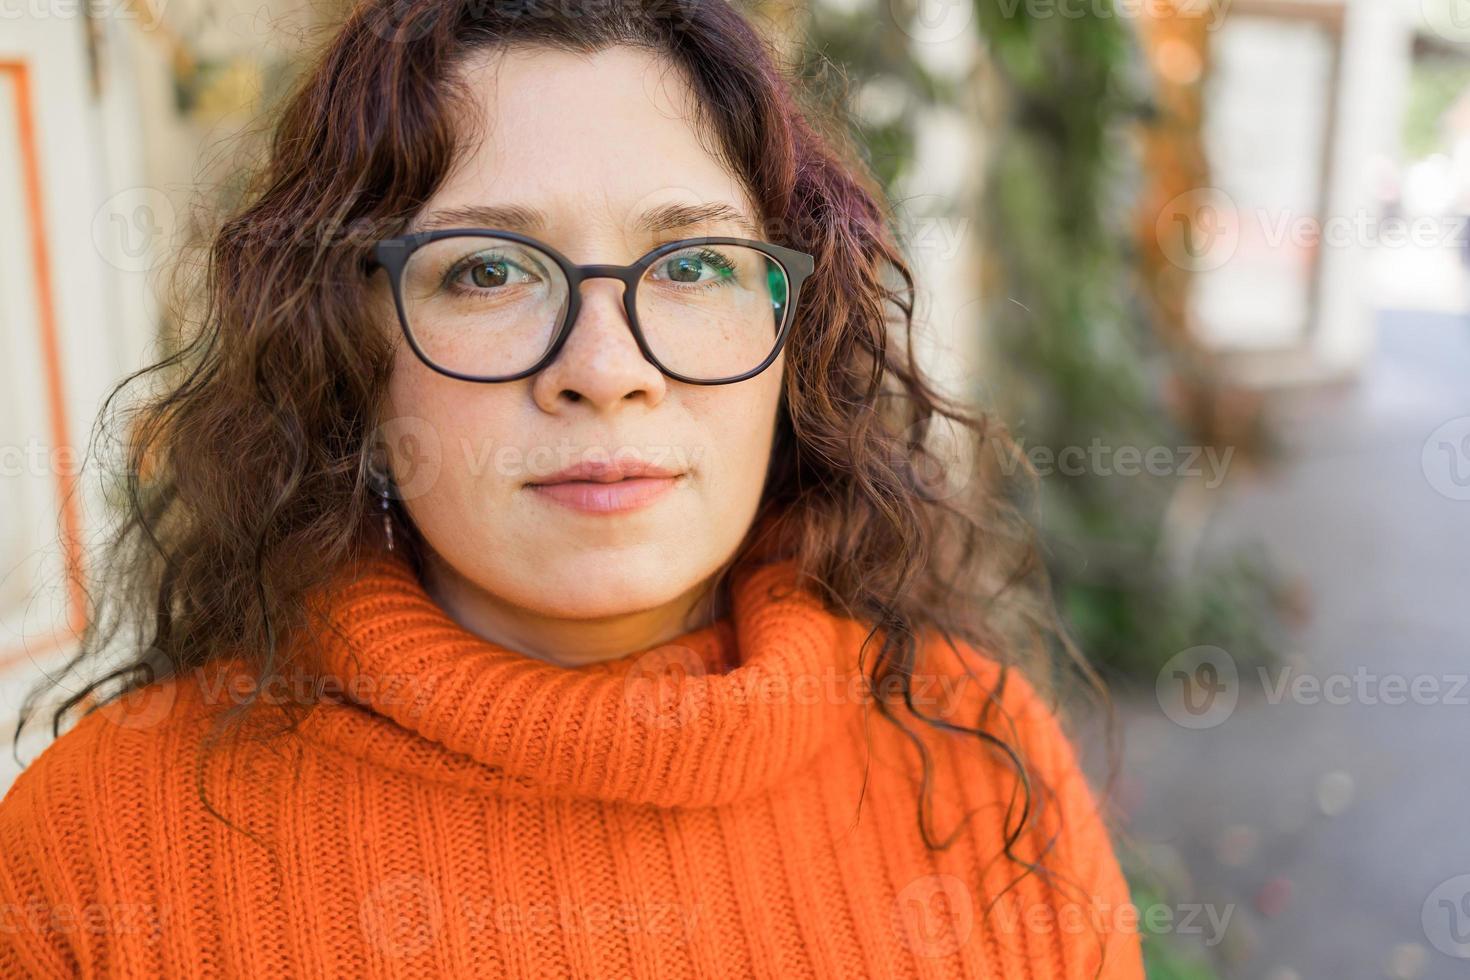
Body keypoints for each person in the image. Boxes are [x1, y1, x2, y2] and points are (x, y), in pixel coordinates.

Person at [0, 1, 1144, 976]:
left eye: (693, 264)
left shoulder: (981, 763)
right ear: (344, 352)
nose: (606, 369)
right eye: (488, 269)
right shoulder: (92, 858)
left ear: (794, 330)